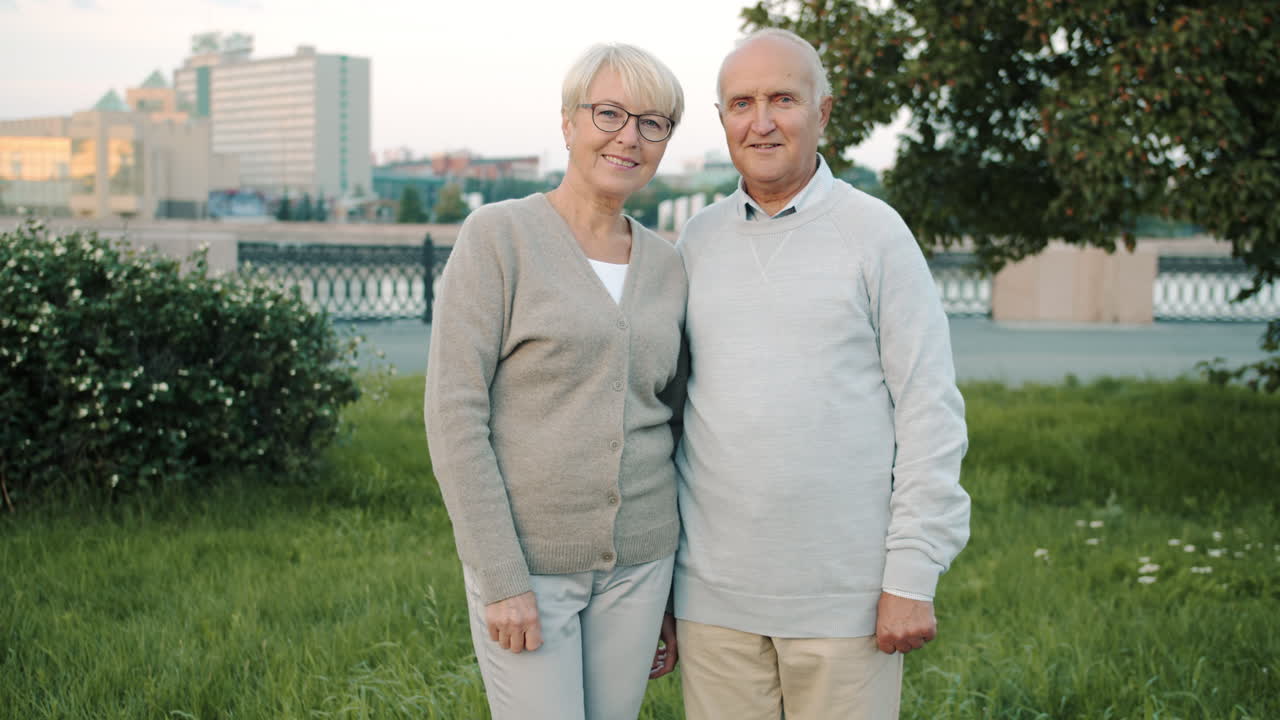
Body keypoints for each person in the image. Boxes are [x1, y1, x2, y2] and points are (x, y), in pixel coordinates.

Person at [671, 28, 971, 720]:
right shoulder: (696, 242)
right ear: (722, 121)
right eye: (741, 103)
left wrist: (912, 574)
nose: (763, 120)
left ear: (824, 112)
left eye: (784, 98)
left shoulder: (877, 235)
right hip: (713, 602)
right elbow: (671, 415)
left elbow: (930, 412)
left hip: (849, 602)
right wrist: (663, 589)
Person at [422, 43, 686, 720]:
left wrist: (671, 597)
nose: (629, 136)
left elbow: (676, 418)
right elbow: (454, 417)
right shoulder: (498, 238)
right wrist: (500, 578)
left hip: (642, 565)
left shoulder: (669, 266)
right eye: (609, 113)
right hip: (531, 567)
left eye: (653, 123)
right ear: (569, 124)